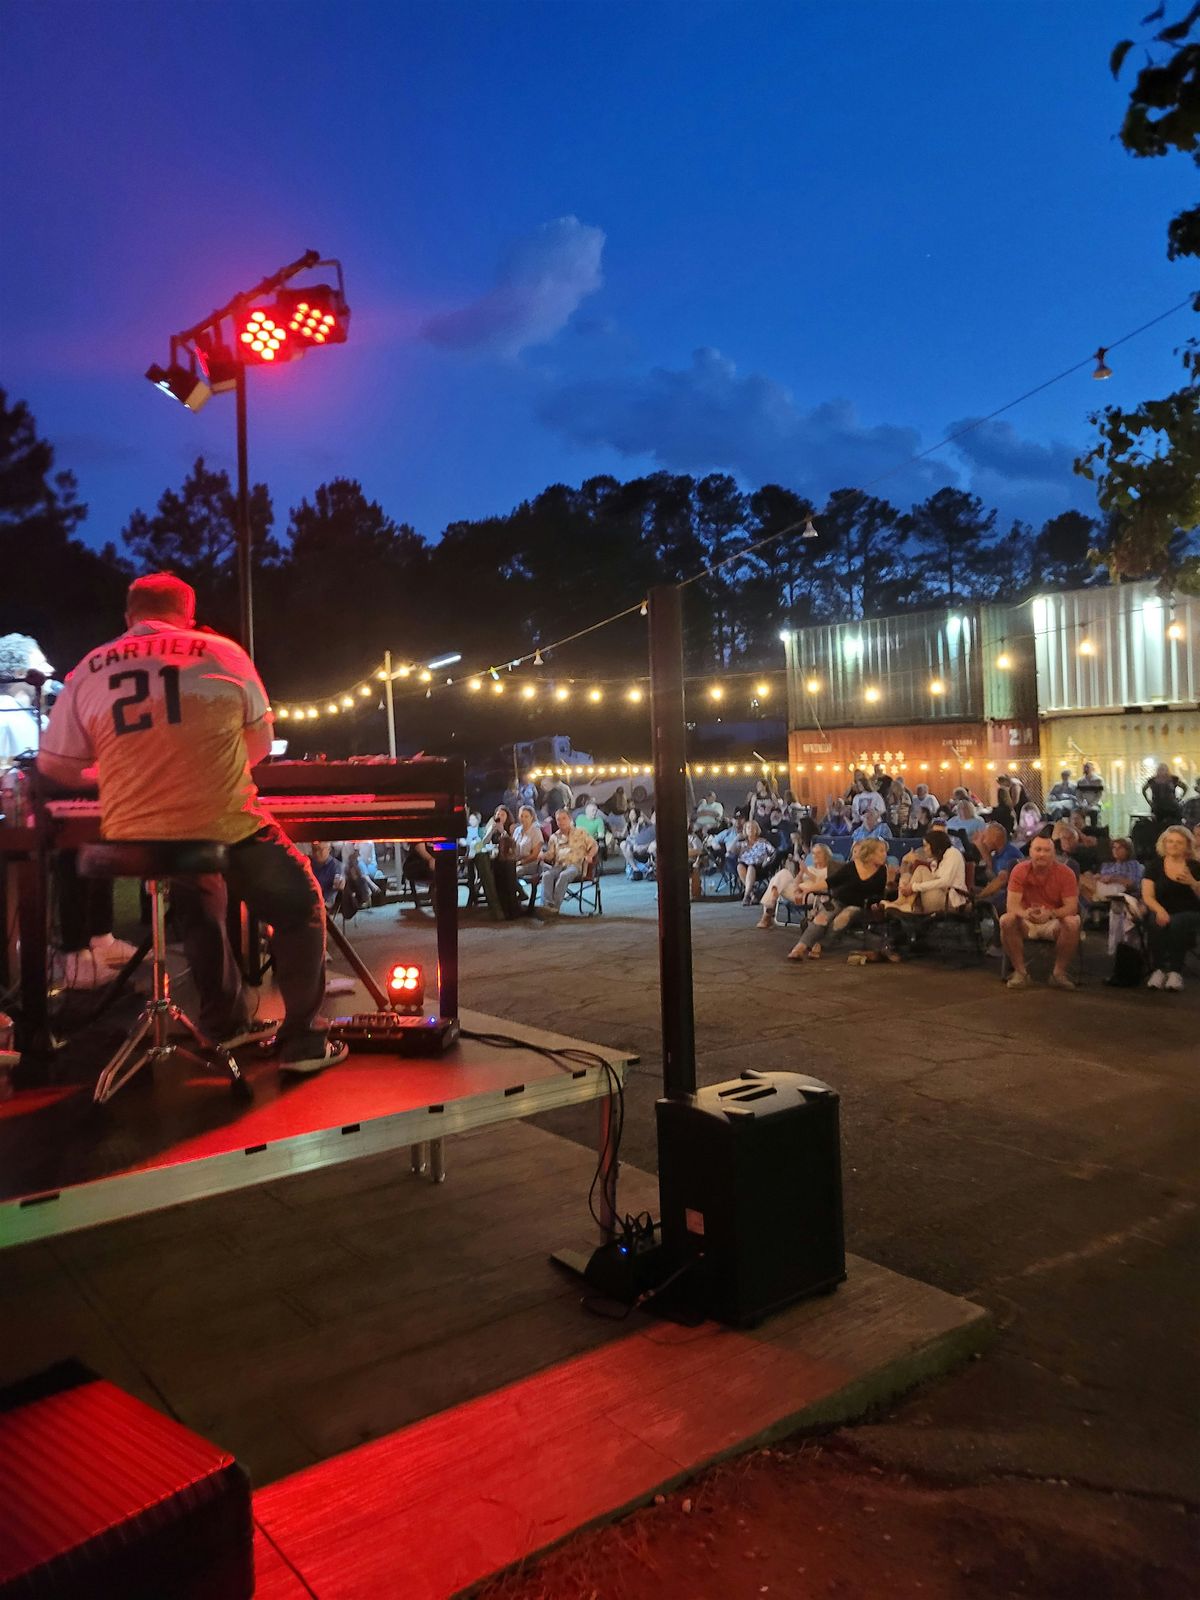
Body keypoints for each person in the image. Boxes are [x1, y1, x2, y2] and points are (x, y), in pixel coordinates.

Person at [37, 573, 341, 1072]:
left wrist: (114, 772)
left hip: (137, 833)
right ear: (188, 615)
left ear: (128, 617)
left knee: (200, 901)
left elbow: (54, 767)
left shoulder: (89, 667)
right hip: (224, 822)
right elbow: (260, 745)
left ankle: (225, 1025)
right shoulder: (223, 653)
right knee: (298, 905)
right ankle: (304, 1041)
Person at [999, 834, 1081, 991]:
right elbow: (1012, 905)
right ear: (1030, 852)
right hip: (1026, 919)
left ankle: (1058, 974)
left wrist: (1051, 914)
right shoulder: (1019, 870)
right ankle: (1020, 973)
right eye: (1038, 850)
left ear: (1053, 853)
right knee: (1006, 920)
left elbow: (1072, 907)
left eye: (1046, 850)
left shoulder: (1066, 873)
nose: (1042, 854)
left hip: (1053, 920)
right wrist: (1026, 914)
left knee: (1073, 922)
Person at [786, 838, 888, 961]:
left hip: (860, 907)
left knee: (843, 917)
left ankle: (819, 944)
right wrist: (808, 889)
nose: (885, 854)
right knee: (821, 918)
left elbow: (878, 895)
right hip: (839, 900)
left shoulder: (882, 871)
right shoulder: (852, 866)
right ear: (870, 853)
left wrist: (876, 904)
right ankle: (799, 948)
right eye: (881, 851)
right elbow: (830, 882)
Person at [881, 831, 968, 958]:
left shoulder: (953, 854)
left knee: (920, 871)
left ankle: (904, 904)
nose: (925, 849)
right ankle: (906, 903)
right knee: (913, 873)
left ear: (935, 845)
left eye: (926, 845)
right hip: (937, 896)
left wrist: (914, 887)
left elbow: (945, 882)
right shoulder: (936, 861)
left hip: (949, 901)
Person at [1142, 825, 1200, 991]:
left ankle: (1175, 971)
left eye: (1179, 842)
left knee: (1177, 922)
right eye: (1170, 842)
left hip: (1190, 911)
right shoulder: (1154, 866)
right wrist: (1159, 910)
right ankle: (1159, 969)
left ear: (1187, 845)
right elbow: (1147, 896)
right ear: (1164, 844)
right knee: (1155, 921)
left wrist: (1193, 883)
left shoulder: (1195, 867)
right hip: (1160, 908)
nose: (1173, 845)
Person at [1081, 837, 1145, 954]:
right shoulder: (1107, 865)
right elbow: (1099, 878)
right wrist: (1095, 876)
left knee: (1078, 880)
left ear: (1128, 850)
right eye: (1114, 847)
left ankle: (1085, 915)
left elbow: (1133, 884)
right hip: (1103, 889)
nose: (1116, 850)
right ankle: (1089, 907)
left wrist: (1112, 878)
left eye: (1120, 848)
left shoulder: (1134, 865)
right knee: (1082, 878)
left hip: (1120, 890)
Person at [756, 843, 833, 928]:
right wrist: (801, 872)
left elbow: (823, 885)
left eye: (818, 853)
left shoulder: (829, 870)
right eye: (814, 853)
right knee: (784, 873)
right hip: (797, 892)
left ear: (826, 855)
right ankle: (772, 900)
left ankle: (767, 915)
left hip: (812, 896)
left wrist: (807, 872)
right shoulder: (811, 868)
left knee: (775, 881)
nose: (815, 855)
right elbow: (796, 882)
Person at [540, 807, 599, 912]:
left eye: (564, 818)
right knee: (547, 875)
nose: (561, 822)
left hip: (575, 866)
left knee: (564, 875)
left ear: (570, 819)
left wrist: (589, 856)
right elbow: (550, 855)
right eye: (558, 819)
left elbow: (594, 846)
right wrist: (543, 856)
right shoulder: (554, 837)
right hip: (559, 865)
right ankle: (547, 905)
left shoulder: (581, 832)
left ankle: (554, 907)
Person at [973, 822, 1025, 919]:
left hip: (1011, 896)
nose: (984, 841)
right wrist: (979, 845)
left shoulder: (1010, 855)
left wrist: (979, 896)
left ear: (995, 838)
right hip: (1003, 892)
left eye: (985, 837)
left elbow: (1000, 881)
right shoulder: (999, 852)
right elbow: (992, 867)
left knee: (978, 905)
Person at [736, 820, 776, 905]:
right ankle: (752, 894)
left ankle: (746, 896)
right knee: (739, 866)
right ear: (745, 831)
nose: (750, 829)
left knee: (751, 867)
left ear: (757, 830)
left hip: (760, 867)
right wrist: (736, 838)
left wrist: (767, 859)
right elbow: (729, 852)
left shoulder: (763, 842)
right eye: (748, 828)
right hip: (744, 865)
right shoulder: (742, 844)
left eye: (753, 828)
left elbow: (774, 852)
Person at [512, 804, 546, 905]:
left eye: (526, 816)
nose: (523, 819)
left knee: (512, 872)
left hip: (532, 863)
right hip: (517, 861)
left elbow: (535, 854)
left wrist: (521, 862)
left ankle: (521, 893)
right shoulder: (517, 830)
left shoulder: (536, 831)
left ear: (532, 817)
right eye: (521, 816)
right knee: (502, 871)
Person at [1142, 762, 1186, 827]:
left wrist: (1180, 798)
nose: (1162, 771)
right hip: (1158, 808)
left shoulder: (1173, 779)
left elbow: (1184, 787)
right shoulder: (1152, 780)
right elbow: (1144, 789)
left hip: (1172, 807)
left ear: (1167, 770)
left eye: (1163, 769)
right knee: (1158, 827)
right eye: (1160, 769)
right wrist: (1149, 802)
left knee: (1174, 825)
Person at [621, 811, 656, 878]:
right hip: (634, 845)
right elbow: (624, 835)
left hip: (643, 846)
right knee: (624, 845)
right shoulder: (629, 824)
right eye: (630, 814)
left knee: (652, 847)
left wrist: (645, 846)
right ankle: (635, 869)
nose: (631, 816)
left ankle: (650, 869)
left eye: (633, 814)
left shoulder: (651, 826)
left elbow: (638, 835)